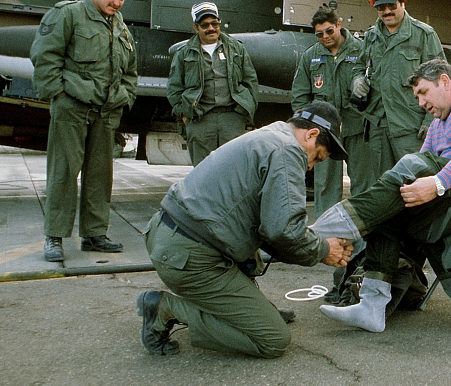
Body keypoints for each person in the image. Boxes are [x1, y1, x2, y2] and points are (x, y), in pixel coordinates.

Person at [320, 59, 451, 333]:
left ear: (444, 81)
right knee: (389, 211)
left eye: (423, 92)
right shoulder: (439, 122)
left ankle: (327, 229)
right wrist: (411, 191)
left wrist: (437, 184)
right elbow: (421, 163)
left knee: (410, 168)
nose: (420, 103)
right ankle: (372, 307)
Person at [137, 101, 353, 357]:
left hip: (172, 239)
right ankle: (166, 308)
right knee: (273, 340)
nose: (310, 166)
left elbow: (270, 224)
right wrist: (324, 250)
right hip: (190, 256)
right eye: (317, 157)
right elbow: (284, 230)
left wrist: (316, 243)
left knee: (255, 236)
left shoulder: (270, 135)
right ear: (311, 134)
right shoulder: (288, 150)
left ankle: (252, 309)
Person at [30, 0, 138, 263]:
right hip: (73, 108)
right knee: (64, 173)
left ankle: (94, 234)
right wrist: (59, 95)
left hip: (106, 113)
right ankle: (54, 236)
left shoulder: (119, 26)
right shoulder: (68, 14)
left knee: (100, 176)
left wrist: (124, 97)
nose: (117, 3)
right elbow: (44, 56)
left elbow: (130, 69)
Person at [352, 0, 447, 174]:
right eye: (381, 8)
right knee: (383, 186)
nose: (387, 12)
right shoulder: (371, 36)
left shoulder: (424, 35)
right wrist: (357, 80)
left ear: (402, 1)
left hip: (410, 128)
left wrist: (431, 122)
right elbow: (359, 67)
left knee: (414, 182)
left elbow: (442, 80)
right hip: (377, 126)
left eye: (391, 5)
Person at [290, 6, 372, 215]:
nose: (325, 37)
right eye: (319, 34)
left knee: (363, 185)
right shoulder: (311, 56)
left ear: (338, 25)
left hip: (356, 129)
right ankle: (326, 237)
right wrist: (306, 128)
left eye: (329, 31)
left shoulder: (361, 51)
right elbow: (300, 94)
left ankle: (362, 236)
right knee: (325, 186)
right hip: (325, 134)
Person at [167, 2, 260, 166]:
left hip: (232, 118)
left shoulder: (236, 48)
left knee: (233, 170)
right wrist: (184, 114)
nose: (211, 28)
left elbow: (250, 80)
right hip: (200, 120)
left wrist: (246, 110)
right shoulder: (184, 54)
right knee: (203, 173)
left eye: (214, 23)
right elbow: (174, 89)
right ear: (196, 28)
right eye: (205, 25)